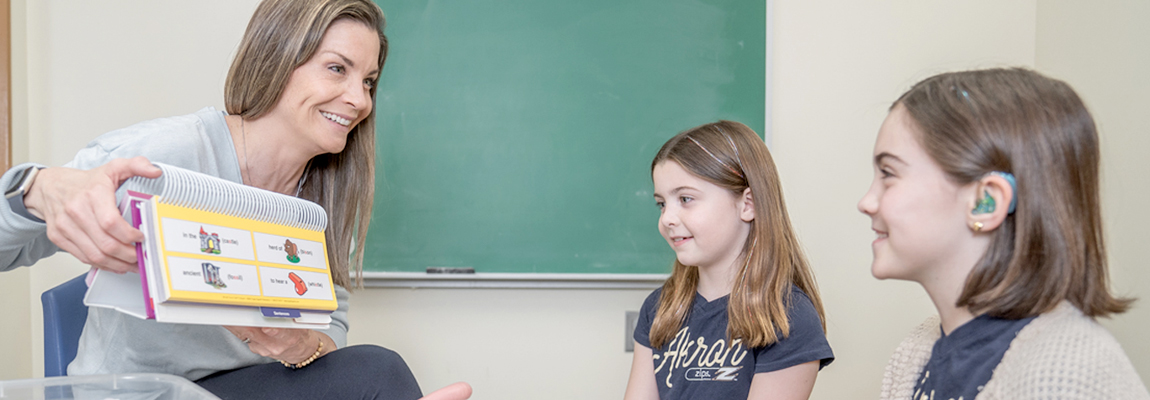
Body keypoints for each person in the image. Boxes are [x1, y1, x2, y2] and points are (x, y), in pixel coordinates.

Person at [0, 0, 469, 399]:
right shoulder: (161, 156)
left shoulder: (321, 197)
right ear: (277, 58)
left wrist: (299, 344)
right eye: (337, 68)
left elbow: (332, 331)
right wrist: (35, 190)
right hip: (143, 391)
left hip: (233, 388)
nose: (359, 100)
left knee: (376, 371)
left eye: (368, 81)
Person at [859, 68, 1150, 399]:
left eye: (888, 173)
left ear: (986, 203)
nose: (866, 202)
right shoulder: (915, 353)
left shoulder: (1069, 376)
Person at [624, 121, 834, 400]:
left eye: (685, 199)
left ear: (748, 204)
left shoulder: (788, 317)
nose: (667, 219)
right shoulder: (659, 309)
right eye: (662, 203)